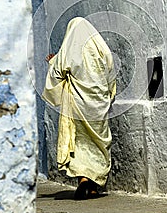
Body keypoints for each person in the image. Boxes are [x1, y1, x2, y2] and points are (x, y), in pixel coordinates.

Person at [42, 17, 116, 200]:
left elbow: (59, 71)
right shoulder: (100, 47)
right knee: (98, 143)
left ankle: (83, 181)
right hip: (98, 102)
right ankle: (92, 186)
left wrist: (53, 62)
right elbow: (110, 70)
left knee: (80, 142)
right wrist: (107, 94)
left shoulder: (70, 47)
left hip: (78, 104)